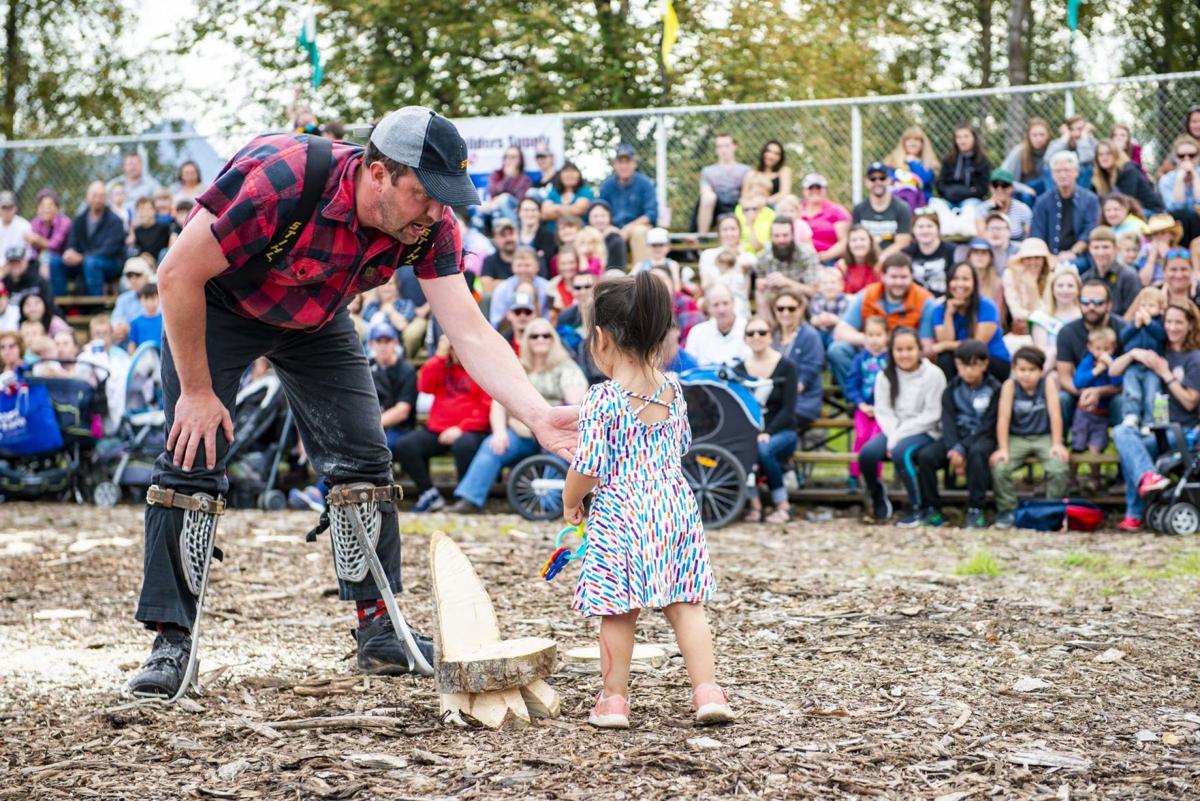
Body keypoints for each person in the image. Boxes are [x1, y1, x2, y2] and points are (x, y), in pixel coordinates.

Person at [124, 108, 578, 700]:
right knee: (193, 455)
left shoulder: (431, 227)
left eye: (447, 201)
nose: (437, 214)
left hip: (316, 319)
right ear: (379, 174)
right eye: (425, 196)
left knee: (364, 459)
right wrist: (198, 393)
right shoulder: (282, 180)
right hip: (218, 308)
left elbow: (468, 330)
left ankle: (379, 629)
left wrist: (537, 415)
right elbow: (176, 275)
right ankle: (171, 641)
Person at [561, 271, 732, 729]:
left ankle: (614, 701)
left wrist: (569, 499)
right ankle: (708, 692)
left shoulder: (602, 397)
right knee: (686, 603)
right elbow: (679, 446)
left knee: (618, 609)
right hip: (673, 505)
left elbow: (590, 465)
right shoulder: (675, 391)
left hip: (620, 511)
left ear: (600, 339)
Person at [450, 319, 587, 513]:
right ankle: (469, 499)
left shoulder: (567, 367)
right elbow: (498, 403)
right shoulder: (516, 368)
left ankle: (554, 505)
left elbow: (575, 402)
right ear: (526, 340)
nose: (540, 339)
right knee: (492, 447)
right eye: (534, 336)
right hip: (520, 431)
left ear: (553, 339)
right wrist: (499, 432)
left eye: (546, 335)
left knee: (563, 453)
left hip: (555, 430)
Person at [1110, 302, 1200, 530]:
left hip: (1181, 431)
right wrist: (1132, 354)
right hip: (1152, 426)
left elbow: (1190, 402)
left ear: (1190, 325)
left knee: (1134, 445)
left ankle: (1134, 512)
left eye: (1178, 322)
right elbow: (1115, 371)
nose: (1172, 327)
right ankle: (1148, 478)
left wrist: (1165, 373)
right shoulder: (1158, 349)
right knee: (1122, 432)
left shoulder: (1194, 359)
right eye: (1168, 321)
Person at [858, 326, 946, 525]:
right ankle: (879, 498)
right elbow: (883, 410)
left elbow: (932, 414)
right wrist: (894, 434)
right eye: (899, 350)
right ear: (892, 351)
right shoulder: (885, 375)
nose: (904, 354)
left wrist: (898, 438)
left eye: (909, 349)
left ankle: (917, 507)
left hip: (925, 429)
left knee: (901, 452)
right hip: (894, 428)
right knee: (867, 454)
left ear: (919, 350)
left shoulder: (934, 375)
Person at [394, 335, 491, 512]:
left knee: (465, 445)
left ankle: (464, 498)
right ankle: (430, 495)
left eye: (460, 348)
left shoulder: (481, 371)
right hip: (437, 429)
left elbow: (485, 410)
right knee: (405, 446)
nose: (457, 353)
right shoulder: (442, 366)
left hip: (469, 430)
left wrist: (460, 429)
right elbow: (424, 385)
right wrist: (440, 355)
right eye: (453, 348)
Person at [914, 339, 1000, 529]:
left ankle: (976, 509)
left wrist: (962, 448)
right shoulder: (951, 389)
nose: (969, 371)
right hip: (955, 438)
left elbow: (989, 424)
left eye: (974, 365)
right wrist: (954, 448)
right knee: (926, 457)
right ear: (957, 364)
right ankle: (932, 508)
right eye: (964, 365)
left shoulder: (994, 389)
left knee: (977, 454)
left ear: (985, 364)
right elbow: (948, 421)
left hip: (982, 438)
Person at [828, 253, 933, 399]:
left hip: (904, 357)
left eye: (903, 277)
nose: (898, 282)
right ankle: (858, 401)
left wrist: (896, 348)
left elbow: (926, 346)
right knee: (837, 350)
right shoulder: (868, 295)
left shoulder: (924, 300)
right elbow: (840, 332)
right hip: (871, 355)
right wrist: (871, 340)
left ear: (912, 277)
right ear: (883, 276)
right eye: (893, 277)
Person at [989, 346, 1069, 529]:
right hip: (1017, 437)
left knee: (1058, 468)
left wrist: (1057, 443)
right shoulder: (1010, 386)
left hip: (1043, 436)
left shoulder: (1047, 383)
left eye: (1032, 370)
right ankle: (1008, 511)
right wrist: (1002, 448)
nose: (1026, 375)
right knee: (1000, 467)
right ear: (1015, 370)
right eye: (1022, 370)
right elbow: (1003, 418)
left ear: (1040, 370)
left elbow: (1055, 414)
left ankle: (1052, 511)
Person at [734, 317, 798, 524]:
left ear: (771, 336)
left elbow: (789, 409)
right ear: (745, 338)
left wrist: (767, 432)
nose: (756, 337)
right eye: (751, 333)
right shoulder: (739, 369)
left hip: (782, 431)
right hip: (749, 432)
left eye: (762, 332)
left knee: (763, 449)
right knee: (743, 447)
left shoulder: (787, 367)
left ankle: (783, 505)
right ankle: (755, 505)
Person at [1056, 278, 1128, 428]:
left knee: (1122, 400)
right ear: (1078, 303)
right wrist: (1086, 393)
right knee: (1062, 398)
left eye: (1098, 303)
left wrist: (1099, 392)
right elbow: (1064, 377)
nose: (1091, 307)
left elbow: (1129, 378)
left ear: (1109, 305)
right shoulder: (1067, 332)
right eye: (1085, 302)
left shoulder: (1123, 329)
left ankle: (1122, 439)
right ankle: (1061, 443)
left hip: (1112, 391)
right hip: (1080, 390)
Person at [920, 261, 1010, 381]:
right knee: (945, 358)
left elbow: (977, 346)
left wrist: (945, 345)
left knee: (968, 357)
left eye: (965, 279)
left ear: (974, 283)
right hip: (961, 361)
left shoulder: (987, 306)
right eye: (955, 279)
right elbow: (945, 340)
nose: (960, 284)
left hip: (991, 360)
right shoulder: (940, 309)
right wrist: (949, 314)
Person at [1070, 327, 1121, 493]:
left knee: (1095, 448)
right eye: (1098, 349)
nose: (1102, 353)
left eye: (1106, 349)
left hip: (1101, 416)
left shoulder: (1114, 362)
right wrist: (1097, 370)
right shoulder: (1088, 362)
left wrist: (1111, 365)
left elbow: (1117, 382)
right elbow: (1078, 382)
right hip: (1083, 414)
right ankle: (1072, 480)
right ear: (1090, 347)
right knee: (1077, 446)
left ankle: (1095, 481)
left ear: (1112, 348)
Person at [844, 316, 889, 493]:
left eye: (878, 334)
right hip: (864, 408)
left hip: (884, 410)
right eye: (870, 334)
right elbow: (851, 385)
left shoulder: (891, 360)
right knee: (861, 437)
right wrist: (860, 404)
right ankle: (854, 476)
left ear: (887, 336)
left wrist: (881, 407)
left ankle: (874, 478)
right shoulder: (860, 359)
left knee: (874, 441)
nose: (874, 339)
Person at [1030, 151, 1100, 262]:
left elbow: (1090, 230)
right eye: (1058, 171)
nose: (1062, 175)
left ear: (1076, 172)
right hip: (1048, 257)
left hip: (1080, 256)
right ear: (1052, 175)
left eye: (1067, 170)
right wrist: (1048, 257)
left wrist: (1073, 252)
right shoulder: (1042, 202)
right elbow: (1037, 233)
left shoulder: (1090, 199)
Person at [62, 181, 126, 297]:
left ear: (106, 198)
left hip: (110, 264)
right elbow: (72, 242)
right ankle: (60, 307)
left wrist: (82, 257)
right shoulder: (79, 220)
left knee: (91, 263)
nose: (97, 199)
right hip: (85, 262)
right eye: (94, 196)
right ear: (87, 197)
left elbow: (109, 249)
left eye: (101, 196)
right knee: (56, 262)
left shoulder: (115, 221)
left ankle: (96, 307)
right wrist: (69, 252)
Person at [771, 289, 824, 427]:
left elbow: (807, 376)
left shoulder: (810, 336)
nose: (786, 313)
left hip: (802, 401)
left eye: (791, 308)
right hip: (772, 399)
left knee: (774, 421)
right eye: (780, 309)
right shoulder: (771, 335)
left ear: (800, 309)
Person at [366, 322, 418, 458]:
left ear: (395, 343)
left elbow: (402, 411)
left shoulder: (406, 371)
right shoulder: (365, 367)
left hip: (398, 428)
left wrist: (369, 426)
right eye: (379, 341)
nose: (383, 346)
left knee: (371, 450)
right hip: (370, 425)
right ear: (371, 344)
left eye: (387, 341)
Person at [598, 144, 657, 264]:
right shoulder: (607, 185)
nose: (624, 166)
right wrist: (610, 228)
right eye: (620, 162)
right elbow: (601, 210)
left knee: (638, 233)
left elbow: (651, 214)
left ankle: (641, 277)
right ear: (614, 165)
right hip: (612, 226)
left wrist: (629, 228)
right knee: (602, 233)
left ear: (634, 164)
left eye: (628, 162)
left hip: (638, 226)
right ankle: (604, 277)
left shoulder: (645, 183)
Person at [1118, 287, 1168, 430]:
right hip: (1133, 365)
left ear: (1160, 309)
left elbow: (1161, 336)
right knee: (1132, 391)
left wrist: (1149, 323)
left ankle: (1150, 421)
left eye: (1151, 306)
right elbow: (1123, 337)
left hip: (1152, 367)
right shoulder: (1134, 323)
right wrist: (1135, 325)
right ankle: (1131, 415)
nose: (1146, 309)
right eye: (1143, 305)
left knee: (1152, 393)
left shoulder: (1159, 323)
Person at [753, 215, 819, 321]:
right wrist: (764, 283)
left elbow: (813, 291)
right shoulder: (763, 257)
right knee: (760, 294)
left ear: (793, 235)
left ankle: (798, 333)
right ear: (771, 236)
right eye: (777, 236)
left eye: (785, 235)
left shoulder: (807, 254)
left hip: (799, 299)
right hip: (773, 298)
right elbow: (759, 284)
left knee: (797, 298)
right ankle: (768, 331)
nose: (781, 240)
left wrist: (786, 282)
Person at [851, 161, 912, 260]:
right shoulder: (859, 209)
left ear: (889, 180)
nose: (877, 182)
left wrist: (881, 258)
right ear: (866, 182)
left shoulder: (902, 208)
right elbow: (854, 239)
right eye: (873, 179)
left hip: (893, 260)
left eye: (882, 178)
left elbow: (903, 242)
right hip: (866, 258)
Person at [1003, 237, 1054, 350]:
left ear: (1044, 259)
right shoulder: (1010, 275)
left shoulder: (1051, 277)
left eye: (1037, 258)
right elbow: (1016, 311)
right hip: (1020, 331)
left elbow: (1051, 309)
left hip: (1048, 329)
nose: (1032, 262)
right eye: (1028, 258)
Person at [1077, 226, 1140, 316]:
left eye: (1105, 247)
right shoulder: (1085, 279)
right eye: (1096, 247)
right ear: (1090, 250)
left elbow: (1132, 314)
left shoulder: (1129, 277)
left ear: (1116, 249)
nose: (1101, 252)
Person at [696, 133, 751, 235]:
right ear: (716, 150)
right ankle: (702, 238)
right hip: (716, 207)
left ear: (734, 147)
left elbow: (746, 194)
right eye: (720, 146)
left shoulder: (745, 170)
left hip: (738, 205)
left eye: (727, 146)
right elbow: (705, 192)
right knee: (708, 197)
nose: (723, 150)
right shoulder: (708, 171)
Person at [1031, 266, 1082, 371]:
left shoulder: (1084, 315)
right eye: (1060, 286)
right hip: (1051, 367)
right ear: (1053, 289)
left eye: (1070, 286)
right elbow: (1041, 351)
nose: (1065, 290)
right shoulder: (1041, 316)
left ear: (1078, 290)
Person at [684, 284, 748, 366]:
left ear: (733, 303)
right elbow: (688, 367)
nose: (721, 309)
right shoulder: (697, 332)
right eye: (715, 305)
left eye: (725, 303)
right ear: (708, 308)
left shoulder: (749, 330)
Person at [934, 122, 991, 216]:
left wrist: (966, 193)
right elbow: (940, 183)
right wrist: (948, 192)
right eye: (959, 137)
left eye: (966, 136)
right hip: (949, 199)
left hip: (971, 200)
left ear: (974, 138)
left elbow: (983, 187)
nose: (962, 141)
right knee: (935, 205)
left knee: (969, 209)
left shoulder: (982, 160)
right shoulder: (948, 159)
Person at [1092, 139, 1162, 214]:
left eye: (1108, 154)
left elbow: (1124, 202)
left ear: (1116, 155)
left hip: (1151, 211)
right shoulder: (1102, 177)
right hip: (1126, 212)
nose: (1104, 158)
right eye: (1100, 155)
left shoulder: (1128, 171)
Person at [489, 246, 552, 327]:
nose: (523, 270)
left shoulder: (548, 288)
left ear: (537, 267)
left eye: (527, 265)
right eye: (519, 265)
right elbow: (495, 323)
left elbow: (550, 318)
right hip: (509, 334)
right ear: (512, 267)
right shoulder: (502, 290)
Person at [902, 208, 956, 297]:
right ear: (913, 230)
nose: (925, 230)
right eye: (920, 227)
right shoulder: (906, 254)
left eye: (929, 226)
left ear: (938, 229)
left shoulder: (952, 251)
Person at [798, 173, 850, 262]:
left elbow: (844, 241)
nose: (815, 191)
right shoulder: (797, 210)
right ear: (804, 191)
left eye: (818, 188)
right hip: (800, 259)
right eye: (811, 188)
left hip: (829, 259)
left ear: (825, 190)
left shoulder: (837, 211)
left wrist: (824, 256)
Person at [26, 190, 71, 291]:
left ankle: (57, 302)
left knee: (53, 263)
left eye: (50, 206)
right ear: (37, 209)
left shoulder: (65, 222)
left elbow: (55, 245)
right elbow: (32, 249)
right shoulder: (35, 222)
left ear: (57, 208)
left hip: (64, 261)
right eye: (42, 206)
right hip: (42, 261)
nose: (46, 209)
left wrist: (37, 239)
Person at [884, 127, 938, 211]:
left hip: (921, 203)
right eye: (908, 139)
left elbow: (925, 179)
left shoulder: (928, 163)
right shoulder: (892, 161)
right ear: (903, 143)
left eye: (916, 139)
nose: (912, 143)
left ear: (922, 143)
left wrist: (913, 162)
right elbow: (888, 179)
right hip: (897, 200)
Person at [479, 146, 532, 230]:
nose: (509, 160)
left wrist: (510, 177)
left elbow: (520, 199)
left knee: (504, 200)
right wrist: (507, 178)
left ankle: (516, 233)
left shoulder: (524, 179)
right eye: (507, 157)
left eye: (513, 157)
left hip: (514, 210)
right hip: (495, 206)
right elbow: (493, 191)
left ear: (520, 160)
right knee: (481, 208)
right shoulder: (497, 174)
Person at [1001, 117, 1053, 199]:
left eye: (1042, 134)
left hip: (1045, 189)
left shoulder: (1053, 149)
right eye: (1034, 135)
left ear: (1048, 136)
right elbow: (1004, 177)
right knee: (1026, 197)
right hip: (1025, 191)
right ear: (1029, 136)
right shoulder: (1020, 151)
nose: (1038, 139)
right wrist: (1025, 189)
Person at [973, 168, 1031, 240]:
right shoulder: (982, 209)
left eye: (1004, 185)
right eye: (995, 185)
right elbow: (981, 236)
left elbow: (1030, 237)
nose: (999, 189)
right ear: (990, 188)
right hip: (992, 248)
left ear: (1012, 188)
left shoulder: (1023, 209)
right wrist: (993, 211)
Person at [1045, 115, 1097, 187]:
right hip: (1060, 182)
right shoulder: (1060, 142)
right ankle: (1054, 197)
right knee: (1047, 168)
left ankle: (1079, 197)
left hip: (1086, 184)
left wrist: (1083, 139)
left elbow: (1086, 159)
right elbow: (1047, 160)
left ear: (1086, 130)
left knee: (1085, 167)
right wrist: (1065, 138)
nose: (1076, 134)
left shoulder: (1092, 142)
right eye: (1072, 129)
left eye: (1080, 129)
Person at [965, 237, 1006, 324]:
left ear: (990, 258)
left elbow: (999, 315)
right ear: (969, 257)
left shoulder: (997, 283)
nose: (980, 257)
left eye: (984, 253)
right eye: (976, 253)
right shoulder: (961, 280)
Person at [1137, 213, 1184, 288]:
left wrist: (1167, 256)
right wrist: (1151, 258)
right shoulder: (1145, 253)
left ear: (1172, 235)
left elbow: (1179, 278)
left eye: (1163, 233)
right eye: (1155, 234)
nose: (1158, 237)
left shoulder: (1181, 253)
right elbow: (1144, 282)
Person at [2, 245, 54, 312]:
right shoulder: (3, 283)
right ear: (7, 264)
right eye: (12, 262)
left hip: (37, 319)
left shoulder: (38, 280)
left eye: (18, 262)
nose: (15, 265)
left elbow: (48, 304)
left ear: (25, 262)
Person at [1157, 134, 1200, 213]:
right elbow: (1176, 209)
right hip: (1180, 221)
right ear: (1175, 158)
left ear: (1198, 156)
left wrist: (1195, 176)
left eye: (1192, 155)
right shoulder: (1166, 180)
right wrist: (1179, 179)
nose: (1186, 159)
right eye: (1181, 156)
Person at [809, 268, 849, 348]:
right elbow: (811, 318)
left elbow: (847, 322)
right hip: (820, 332)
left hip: (837, 332)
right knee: (814, 338)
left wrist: (835, 319)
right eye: (825, 283)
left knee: (835, 338)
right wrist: (818, 319)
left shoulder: (844, 300)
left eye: (833, 283)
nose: (829, 286)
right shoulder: (816, 300)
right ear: (819, 287)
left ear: (841, 286)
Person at [745, 139, 792, 206]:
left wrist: (766, 201)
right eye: (768, 151)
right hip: (752, 208)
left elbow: (785, 193)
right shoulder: (752, 173)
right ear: (764, 152)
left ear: (780, 157)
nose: (771, 156)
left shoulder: (784, 171)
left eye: (776, 154)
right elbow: (744, 196)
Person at [837, 225, 882, 295]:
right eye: (854, 240)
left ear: (870, 242)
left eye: (862, 239)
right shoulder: (841, 266)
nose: (858, 244)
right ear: (848, 244)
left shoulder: (880, 265)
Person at [516, 196, 555, 275]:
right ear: (518, 213)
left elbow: (546, 261)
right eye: (526, 210)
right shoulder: (513, 234)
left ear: (539, 213)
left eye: (533, 210)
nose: (530, 214)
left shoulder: (548, 236)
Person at [585, 200, 628, 269]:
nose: (599, 220)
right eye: (595, 216)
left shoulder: (615, 239)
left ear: (610, 217)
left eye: (603, 216)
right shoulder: (584, 236)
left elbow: (618, 266)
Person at [112, 256, 154, 326]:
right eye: (129, 275)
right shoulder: (123, 299)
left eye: (138, 275)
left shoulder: (159, 297)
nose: (133, 280)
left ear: (147, 276)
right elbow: (116, 322)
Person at [479, 217, 518, 293]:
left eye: (511, 233)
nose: (508, 238)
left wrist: (497, 283)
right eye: (503, 235)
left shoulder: (527, 257)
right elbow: (487, 288)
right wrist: (519, 283)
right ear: (496, 238)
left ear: (517, 235)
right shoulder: (489, 260)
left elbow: (539, 284)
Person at [131, 197, 172, 263]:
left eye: (146, 209)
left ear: (154, 211)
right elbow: (137, 250)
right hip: (143, 263)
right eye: (140, 209)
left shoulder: (164, 227)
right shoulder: (137, 230)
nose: (143, 213)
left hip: (161, 263)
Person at [981, 210, 1019, 274]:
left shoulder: (1019, 251)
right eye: (991, 228)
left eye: (999, 228)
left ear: (1009, 232)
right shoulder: (979, 251)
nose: (995, 232)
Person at [127, 283, 163, 351]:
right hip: (143, 358)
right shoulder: (135, 322)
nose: (150, 302)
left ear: (159, 298)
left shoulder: (165, 321)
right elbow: (132, 343)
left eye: (153, 298)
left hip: (161, 358)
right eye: (146, 298)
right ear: (140, 300)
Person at [0, 191, 30, 265]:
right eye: (4, 207)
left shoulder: (24, 225)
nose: (7, 211)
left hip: (15, 266)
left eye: (10, 207)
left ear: (15, 208)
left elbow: (27, 254)